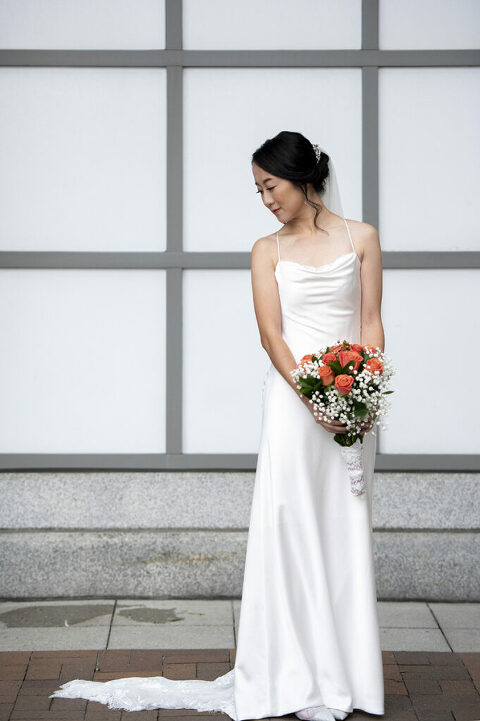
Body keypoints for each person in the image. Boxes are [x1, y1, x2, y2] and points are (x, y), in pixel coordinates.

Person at [49, 131, 385, 720]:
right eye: (257, 190)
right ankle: (292, 674)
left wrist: (362, 390)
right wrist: (314, 394)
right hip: (294, 401)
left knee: (343, 529)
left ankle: (348, 677)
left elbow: (372, 320)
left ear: (302, 178)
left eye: (271, 186)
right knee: (290, 527)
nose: (265, 199)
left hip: (352, 404)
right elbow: (271, 336)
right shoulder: (266, 250)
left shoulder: (362, 238)